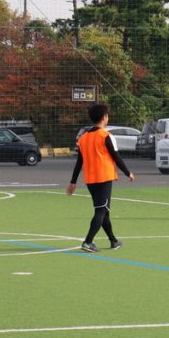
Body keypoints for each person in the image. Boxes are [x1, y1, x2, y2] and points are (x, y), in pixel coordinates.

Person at [66, 103, 135, 252]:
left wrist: (73, 181)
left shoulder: (83, 138)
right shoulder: (106, 136)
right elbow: (116, 157)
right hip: (104, 178)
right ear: (104, 117)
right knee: (101, 211)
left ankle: (113, 240)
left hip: (90, 180)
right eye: (107, 115)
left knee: (104, 210)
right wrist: (127, 172)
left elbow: (79, 162)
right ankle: (87, 242)